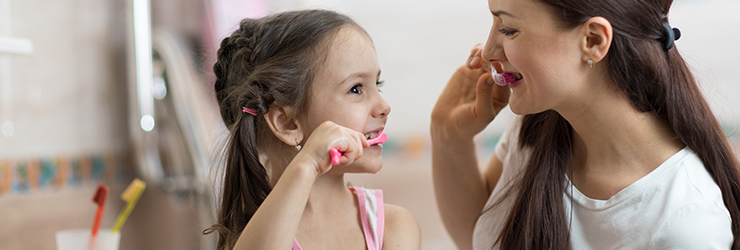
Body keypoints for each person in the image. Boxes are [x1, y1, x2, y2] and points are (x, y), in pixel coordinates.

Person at [431, 0, 740, 249]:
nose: (487, 51)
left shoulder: (685, 225)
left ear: (593, 40)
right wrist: (448, 137)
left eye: (508, 29)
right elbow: (480, 238)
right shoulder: (537, 125)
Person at [204, 10, 421, 250]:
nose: (384, 106)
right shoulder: (254, 237)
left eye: (377, 84)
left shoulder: (394, 226)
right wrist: (307, 165)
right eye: (356, 89)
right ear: (287, 123)